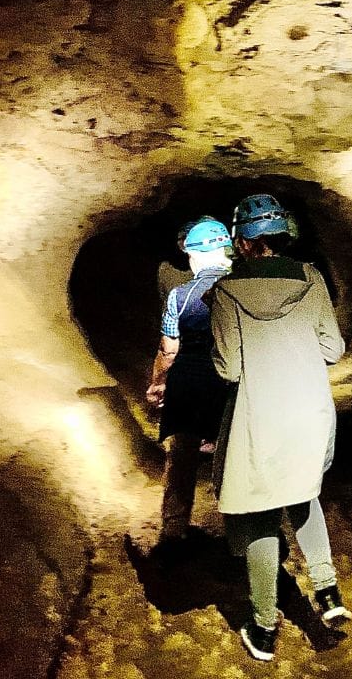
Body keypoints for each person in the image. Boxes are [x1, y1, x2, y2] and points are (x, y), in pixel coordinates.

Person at [210, 193, 352, 662]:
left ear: (244, 242)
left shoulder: (227, 292)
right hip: (309, 412)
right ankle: (328, 592)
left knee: (260, 516)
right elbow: (332, 349)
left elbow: (229, 369)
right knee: (304, 494)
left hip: (260, 417)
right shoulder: (311, 278)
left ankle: (266, 627)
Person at [145, 217, 233, 550]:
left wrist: (159, 383)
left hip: (189, 383)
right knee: (234, 456)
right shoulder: (240, 288)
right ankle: (242, 531)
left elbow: (169, 350)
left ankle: (173, 529)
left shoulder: (181, 295)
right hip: (230, 385)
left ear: (193, 256)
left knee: (181, 457)